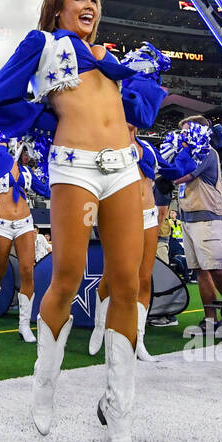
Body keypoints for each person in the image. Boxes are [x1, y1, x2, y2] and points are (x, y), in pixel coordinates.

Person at [0, 0, 166, 442]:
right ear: (59, 9)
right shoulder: (43, 43)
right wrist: (49, 119)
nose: (91, 5)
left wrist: (137, 76)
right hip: (74, 167)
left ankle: (119, 410)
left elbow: (139, 113)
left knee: (126, 282)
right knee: (66, 276)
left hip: (124, 168)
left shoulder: (111, 59)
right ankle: (45, 381)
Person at [90, 125, 162, 361]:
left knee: (144, 278)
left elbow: (173, 171)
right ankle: (99, 327)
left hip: (149, 215)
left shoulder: (149, 148)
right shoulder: (109, 145)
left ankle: (137, 340)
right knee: (110, 275)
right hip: (120, 217)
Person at [0, 135, 49, 344]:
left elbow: (46, 190)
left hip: (25, 223)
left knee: (27, 270)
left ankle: (24, 325)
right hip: (2, 225)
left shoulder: (26, 172)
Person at [171, 116, 222, 336]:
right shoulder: (187, 153)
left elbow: (184, 175)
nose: (183, 135)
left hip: (207, 216)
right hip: (189, 216)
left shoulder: (207, 152)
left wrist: (160, 172)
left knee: (215, 267)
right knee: (200, 270)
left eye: (187, 130)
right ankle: (211, 319)